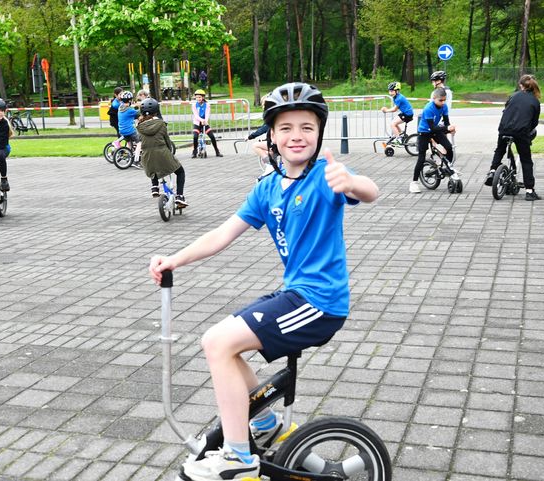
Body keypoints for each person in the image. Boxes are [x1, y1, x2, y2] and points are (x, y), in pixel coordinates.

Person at [149, 82, 379, 481]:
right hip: (296, 294)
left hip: (320, 302)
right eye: (286, 127)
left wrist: (353, 183)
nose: (297, 136)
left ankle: (239, 457)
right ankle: (265, 423)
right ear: (271, 136)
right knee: (219, 344)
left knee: (220, 342)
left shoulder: (326, 176)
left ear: (319, 134)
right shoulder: (268, 188)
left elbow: (370, 191)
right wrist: (174, 260)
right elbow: (221, 234)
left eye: (307, 127)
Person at [484, 74, 542, 201]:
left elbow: (506, 111)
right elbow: (534, 122)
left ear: (521, 86)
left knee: (500, 150)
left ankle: (493, 171)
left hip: (504, 129)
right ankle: (529, 191)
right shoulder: (535, 101)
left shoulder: (513, 96)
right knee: (526, 160)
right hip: (521, 132)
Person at [137, 98, 188, 208]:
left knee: (152, 165)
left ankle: (154, 186)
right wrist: (170, 152)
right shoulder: (161, 124)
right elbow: (167, 142)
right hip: (162, 154)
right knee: (180, 172)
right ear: (156, 111)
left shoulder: (139, 127)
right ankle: (179, 196)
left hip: (146, 158)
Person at [412, 88, 456, 193]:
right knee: (421, 158)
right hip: (424, 132)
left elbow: (446, 123)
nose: (443, 102)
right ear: (434, 99)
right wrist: (446, 129)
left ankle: (446, 167)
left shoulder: (444, 107)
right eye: (440, 100)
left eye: (444, 100)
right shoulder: (428, 108)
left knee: (449, 147)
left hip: (435, 130)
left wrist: (451, 129)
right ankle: (414, 183)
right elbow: (432, 127)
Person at [191, 89, 223, 158]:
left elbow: (207, 114)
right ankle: (194, 152)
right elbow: (196, 115)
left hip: (205, 123)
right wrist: (201, 120)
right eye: (197, 97)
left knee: (212, 136)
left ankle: (217, 151)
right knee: (195, 137)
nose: (198, 99)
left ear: (203, 97)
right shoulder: (194, 105)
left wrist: (205, 121)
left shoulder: (207, 105)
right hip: (197, 123)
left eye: (199, 97)